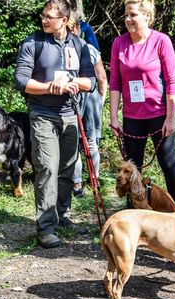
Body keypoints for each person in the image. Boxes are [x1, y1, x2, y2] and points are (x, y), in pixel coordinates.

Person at [14, 0, 96, 249]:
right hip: (42, 114)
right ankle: (46, 228)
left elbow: (91, 81)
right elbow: (21, 80)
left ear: (64, 20)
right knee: (47, 167)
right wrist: (50, 87)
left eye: (50, 17)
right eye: (43, 15)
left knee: (68, 168)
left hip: (71, 115)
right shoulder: (33, 43)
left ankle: (62, 216)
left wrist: (73, 82)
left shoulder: (79, 44)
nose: (44, 20)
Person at [109, 0, 175, 211]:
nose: (128, 19)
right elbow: (115, 82)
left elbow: (171, 81)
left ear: (147, 16)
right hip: (132, 117)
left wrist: (170, 118)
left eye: (133, 14)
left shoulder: (161, 41)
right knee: (132, 171)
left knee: (168, 165)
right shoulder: (119, 43)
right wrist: (114, 117)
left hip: (159, 115)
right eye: (126, 15)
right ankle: (135, 215)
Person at [69, 14, 107, 198]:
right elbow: (102, 78)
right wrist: (101, 98)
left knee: (87, 141)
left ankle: (90, 179)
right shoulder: (83, 48)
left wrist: (101, 98)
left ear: (77, 29)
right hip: (79, 96)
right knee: (79, 142)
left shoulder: (90, 49)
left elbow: (102, 78)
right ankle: (83, 180)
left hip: (87, 96)